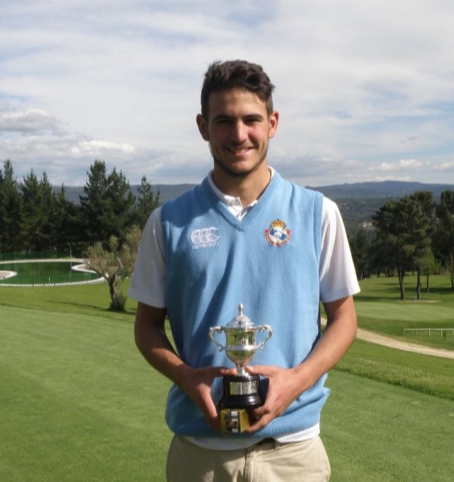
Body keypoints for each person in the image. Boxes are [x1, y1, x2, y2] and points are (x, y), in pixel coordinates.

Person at [130, 59, 360, 482]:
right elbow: (146, 328)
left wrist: (297, 380)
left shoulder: (317, 213)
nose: (239, 135)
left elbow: (344, 319)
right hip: (200, 455)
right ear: (203, 127)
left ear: (272, 123)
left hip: (293, 453)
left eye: (252, 119)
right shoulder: (167, 222)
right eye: (224, 121)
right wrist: (186, 376)